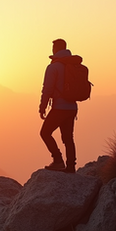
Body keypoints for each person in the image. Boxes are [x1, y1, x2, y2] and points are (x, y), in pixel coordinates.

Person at [39, 38, 83, 173]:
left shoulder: (53, 67)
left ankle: (58, 160)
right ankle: (71, 166)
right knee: (68, 138)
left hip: (59, 108)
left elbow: (47, 89)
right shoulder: (74, 65)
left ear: (55, 50)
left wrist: (42, 107)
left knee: (45, 133)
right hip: (72, 108)